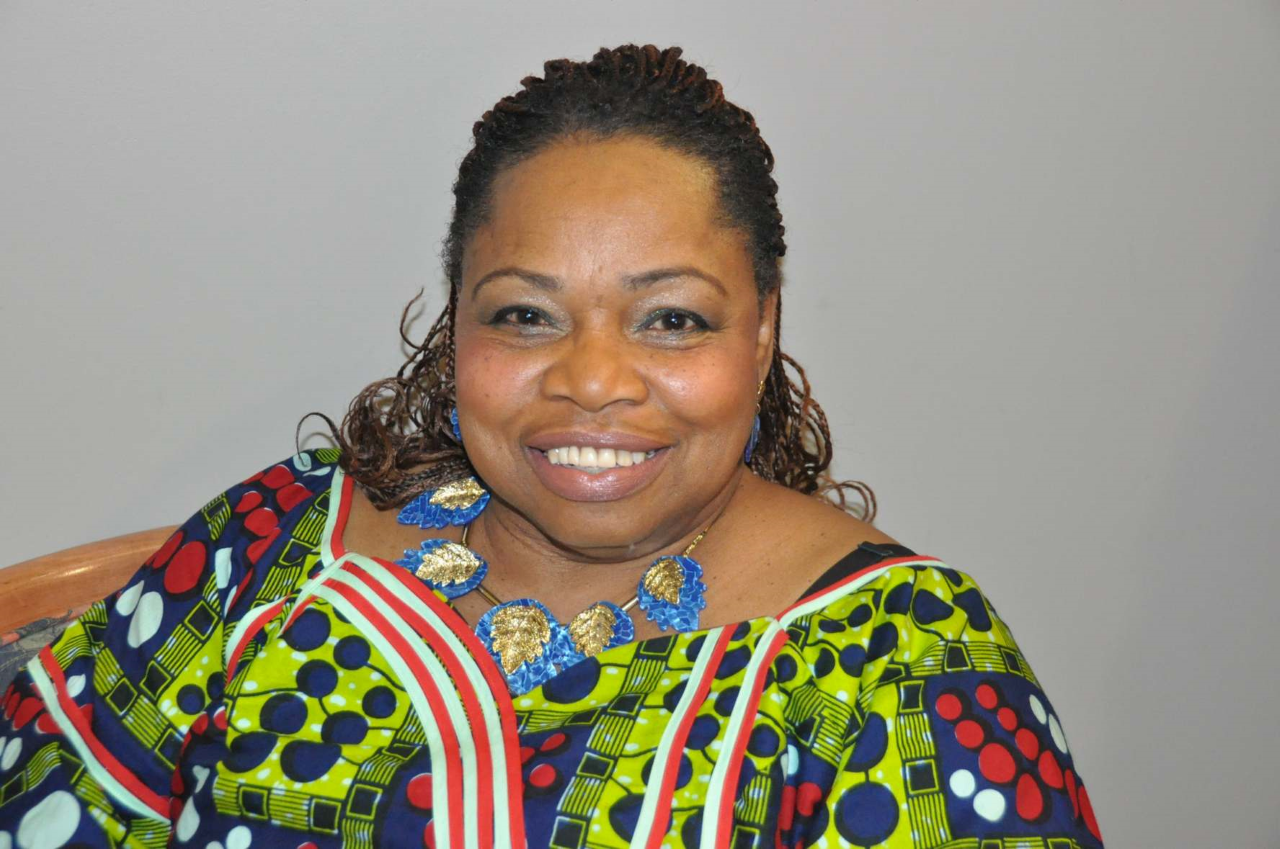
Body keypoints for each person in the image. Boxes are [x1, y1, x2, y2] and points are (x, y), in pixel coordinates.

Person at [0, 44, 1103, 849]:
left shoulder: (901, 670)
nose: (590, 380)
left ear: (760, 329)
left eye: (669, 317)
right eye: (525, 314)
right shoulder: (277, 547)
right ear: (459, 317)